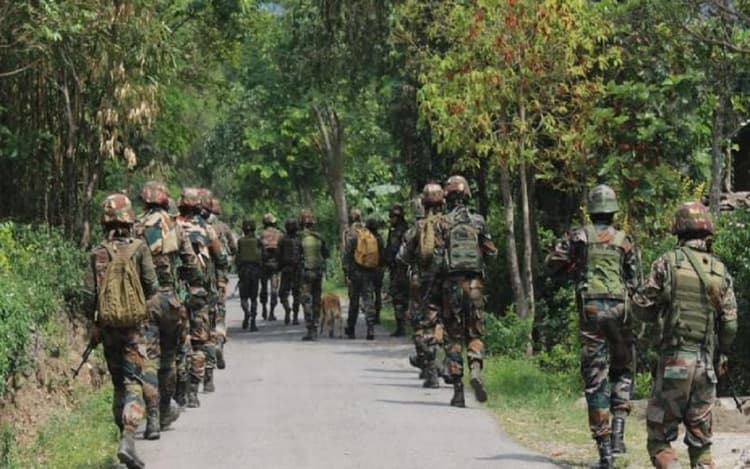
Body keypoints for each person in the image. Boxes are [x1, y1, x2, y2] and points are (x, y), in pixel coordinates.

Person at [620, 202, 737, 469]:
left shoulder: (667, 262)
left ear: (679, 229)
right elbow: (730, 324)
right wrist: (723, 352)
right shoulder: (720, 271)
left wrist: (635, 300)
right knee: (701, 443)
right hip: (705, 367)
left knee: (659, 438)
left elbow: (643, 308)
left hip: (675, 364)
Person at [545, 184, 640, 468]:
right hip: (621, 311)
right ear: (613, 211)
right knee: (623, 368)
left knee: (596, 377)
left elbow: (552, 263)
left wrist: (573, 265)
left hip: (592, 312)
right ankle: (618, 434)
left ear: (591, 210)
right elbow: (635, 282)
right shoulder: (625, 240)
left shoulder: (579, 236)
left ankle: (605, 452)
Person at [83, 193, 158, 469]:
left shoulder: (97, 253)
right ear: (128, 219)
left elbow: (89, 297)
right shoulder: (139, 248)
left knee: (117, 384)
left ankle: (123, 440)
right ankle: (128, 438)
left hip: (108, 330)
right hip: (133, 330)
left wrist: (94, 327)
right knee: (133, 383)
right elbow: (152, 286)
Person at [135, 181, 198, 439]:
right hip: (171, 302)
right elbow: (192, 265)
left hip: (145, 302)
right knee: (169, 359)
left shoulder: (136, 227)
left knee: (149, 360)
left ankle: (151, 419)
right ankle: (163, 411)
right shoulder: (176, 226)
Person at [438, 175, 497, 407]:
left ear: (448, 197)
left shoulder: (443, 222)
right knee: (475, 333)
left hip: (452, 286)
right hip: (474, 286)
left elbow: (436, 258)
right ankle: (475, 369)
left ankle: (458, 391)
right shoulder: (478, 221)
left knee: (453, 337)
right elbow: (491, 252)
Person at [177, 188, 228, 405]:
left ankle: (179, 390)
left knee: (178, 342)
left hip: (176, 295)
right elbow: (223, 258)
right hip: (200, 294)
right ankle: (194, 391)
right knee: (200, 341)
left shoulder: (172, 227)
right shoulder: (207, 229)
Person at [397, 183, 446, 388]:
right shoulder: (449, 224)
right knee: (446, 323)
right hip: (448, 283)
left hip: (422, 285)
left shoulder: (417, 229)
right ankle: (448, 365)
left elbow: (402, 257)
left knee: (421, 325)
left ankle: (430, 370)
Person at [343, 214, 385, 340]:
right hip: (370, 274)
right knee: (368, 300)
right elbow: (382, 258)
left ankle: (351, 329)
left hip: (355, 274)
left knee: (354, 302)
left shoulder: (357, 237)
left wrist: (347, 273)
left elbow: (347, 256)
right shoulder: (378, 240)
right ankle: (370, 328)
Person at [298, 209, 330, 341]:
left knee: (306, 301)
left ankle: (310, 328)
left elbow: (296, 256)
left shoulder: (300, 238)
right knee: (316, 300)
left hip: (306, 273)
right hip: (318, 272)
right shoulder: (319, 237)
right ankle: (315, 327)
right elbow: (326, 254)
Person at [385, 204, 410, 337]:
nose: (390, 219)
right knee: (404, 298)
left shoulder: (398, 232)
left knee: (398, 298)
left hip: (399, 270)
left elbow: (393, 249)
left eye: (392, 217)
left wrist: (388, 261)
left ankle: (401, 326)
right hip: (404, 269)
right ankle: (403, 325)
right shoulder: (407, 230)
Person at [236, 219, 263, 332]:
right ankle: (253, 323)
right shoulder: (257, 241)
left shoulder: (240, 241)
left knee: (243, 297)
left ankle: (246, 312)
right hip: (255, 271)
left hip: (243, 271)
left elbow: (237, 256)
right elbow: (262, 255)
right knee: (253, 298)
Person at [278, 217, 303, 325]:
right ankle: (295, 317)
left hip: (286, 269)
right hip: (297, 269)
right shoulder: (300, 239)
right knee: (297, 294)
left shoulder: (282, 240)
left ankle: (287, 308)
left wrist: (279, 267)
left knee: (283, 294)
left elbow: (278, 255)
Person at [260, 213, 283, 321]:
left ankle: (264, 307)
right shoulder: (279, 234)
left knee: (264, 287)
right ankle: (271, 312)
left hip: (264, 265)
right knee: (274, 289)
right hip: (275, 265)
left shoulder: (261, 234)